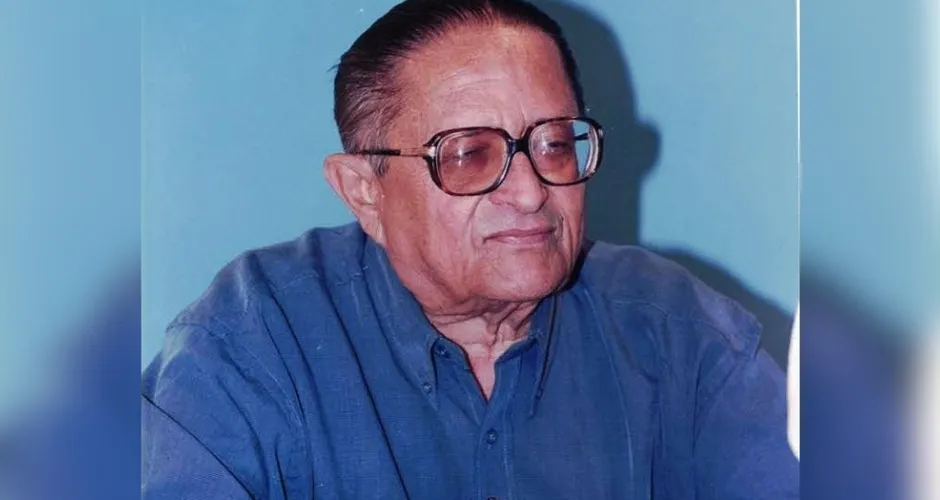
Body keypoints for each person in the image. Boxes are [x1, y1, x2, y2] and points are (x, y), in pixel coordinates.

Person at [141, 0, 799, 498]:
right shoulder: (253, 342)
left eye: (555, 144)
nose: (531, 191)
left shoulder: (680, 335)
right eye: (469, 155)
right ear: (364, 191)